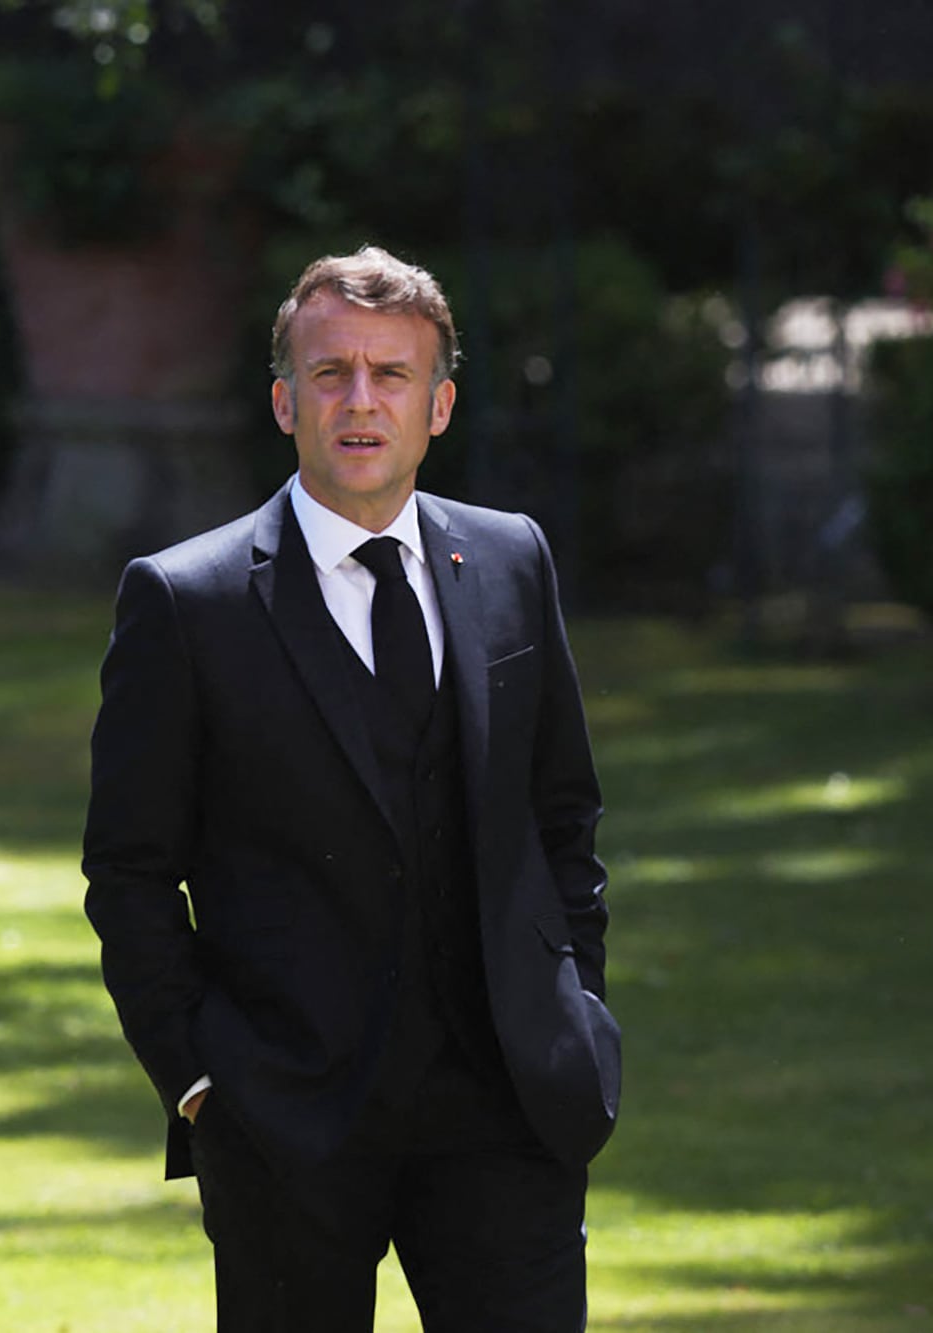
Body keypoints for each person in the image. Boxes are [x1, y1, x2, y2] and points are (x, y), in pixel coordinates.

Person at [83, 245, 619, 1330]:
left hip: (506, 1104)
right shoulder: (187, 601)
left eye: (391, 374)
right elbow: (129, 872)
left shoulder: (511, 561)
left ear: (439, 406)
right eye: (331, 373)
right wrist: (199, 1082)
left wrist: (577, 1014)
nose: (361, 400)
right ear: (286, 402)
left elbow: (562, 814)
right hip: (280, 1115)